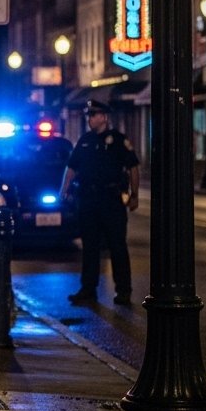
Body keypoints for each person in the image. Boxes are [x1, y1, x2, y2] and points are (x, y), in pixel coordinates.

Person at [59, 99, 140, 307]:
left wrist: (134, 195)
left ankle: (123, 290)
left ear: (104, 117)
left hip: (111, 199)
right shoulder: (85, 141)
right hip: (89, 199)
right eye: (89, 115)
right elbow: (72, 167)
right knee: (90, 246)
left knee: (117, 246)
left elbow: (133, 167)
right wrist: (64, 189)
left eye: (93, 115)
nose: (90, 119)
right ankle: (88, 289)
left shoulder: (118, 140)